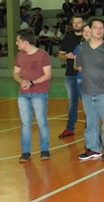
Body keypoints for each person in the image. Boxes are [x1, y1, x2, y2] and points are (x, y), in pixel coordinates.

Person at [76, 18, 104, 161]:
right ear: (90, 30)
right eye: (95, 27)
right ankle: (93, 148)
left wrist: (102, 75)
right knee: (91, 122)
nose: (99, 30)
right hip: (87, 91)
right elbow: (79, 66)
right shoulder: (82, 48)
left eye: (101, 27)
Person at [13, 29, 52, 162]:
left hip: (39, 93)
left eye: (18, 41)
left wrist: (31, 82)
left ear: (25, 43)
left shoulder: (43, 55)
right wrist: (22, 81)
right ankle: (25, 151)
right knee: (25, 123)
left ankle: (45, 149)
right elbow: (16, 73)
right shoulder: (19, 55)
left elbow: (47, 75)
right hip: (23, 94)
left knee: (42, 122)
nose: (16, 43)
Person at [57, 15, 85, 138]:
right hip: (70, 74)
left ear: (84, 23)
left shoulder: (87, 37)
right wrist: (66, 56)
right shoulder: (67, 37)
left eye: (79, 22)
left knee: (87, 102)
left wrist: (77, 57)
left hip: (85, 75)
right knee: (72, 102)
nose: (76, 25)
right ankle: (70, 128)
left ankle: (91, 129)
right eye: (74, 23)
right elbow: (60, 54)